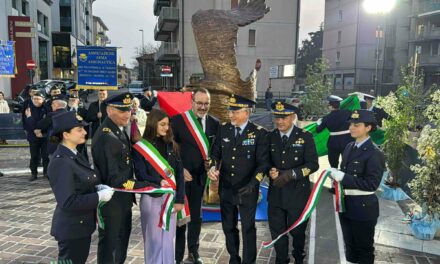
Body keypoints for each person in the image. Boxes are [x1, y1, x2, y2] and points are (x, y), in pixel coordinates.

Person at [92, 92, 154, 264]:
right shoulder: (107, 136)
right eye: (122, 110)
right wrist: (145, 185)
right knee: (111, 245)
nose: (127, 114)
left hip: (121, 199)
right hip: (113, 200)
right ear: (110, 110)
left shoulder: (118, 129)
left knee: (121, 243)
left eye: (128, 109)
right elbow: (115, 179)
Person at [208, 94, 270, 264]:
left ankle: (249, 261)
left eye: (236, 112)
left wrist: (253, 184)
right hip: (227, 188)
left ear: (247, 113)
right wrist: (213, 167)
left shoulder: (259, 133)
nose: (231, 115)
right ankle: (234, 258)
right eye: (230, 111)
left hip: (247, 189)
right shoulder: (224, 129)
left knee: (248, 228)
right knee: (228, 227)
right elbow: (215, 154)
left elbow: (263, 164)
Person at [47, 111, 115, 263]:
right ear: (66, 134)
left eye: (84, 128)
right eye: (79, 129)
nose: (85, 132)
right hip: (72, 229)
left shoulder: (74, 154)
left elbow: (80, 182)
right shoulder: (61, 162)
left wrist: (96, 188)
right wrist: (98, 197)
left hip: (80, 226)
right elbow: (67, 202)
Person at [327, 110, 385, 264]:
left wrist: (344, 177)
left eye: (356, 125)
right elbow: (346, 174)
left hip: (363, 208)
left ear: (368, 127)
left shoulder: (375, 153)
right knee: (350, 247)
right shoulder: (349, 147)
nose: (351, 128)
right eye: (351, 124)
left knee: (364, 249)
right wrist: (336, 175)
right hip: (346, 205)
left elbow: (371, 184)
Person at [267, 101, 319, 264]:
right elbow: (265, 160)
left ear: (293, 117)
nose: (280, 121)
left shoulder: (305, 137)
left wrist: (292, 174)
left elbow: (313, 164)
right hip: (276, 193)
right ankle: (282, 259)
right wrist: (270, 170)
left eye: (284, 117)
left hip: (297, 194)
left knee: (297, 231)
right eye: (277, 117)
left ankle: (298, 257)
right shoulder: (271, 136)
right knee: (277, 231)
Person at [173, 88, 220, 264]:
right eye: (199, 103)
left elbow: (216, 150)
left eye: (206, 103)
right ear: (192, 102)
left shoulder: (215, 122)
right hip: (182, 178)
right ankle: (177, 256)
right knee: (181, 218)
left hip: (201, 178)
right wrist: (180, 169)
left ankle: (193, 252)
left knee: (196, 217)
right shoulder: (178, 121)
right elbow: (172, 150)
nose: (202, 107)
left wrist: (213, 164)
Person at [132, 108, 185, 264]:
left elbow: (180, 174)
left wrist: (180, 199)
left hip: (171, 197)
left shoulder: (172, 145)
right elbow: (140, 174)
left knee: (169, 239)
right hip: (151, 197)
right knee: (153, 239)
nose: (166, 128)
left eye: (167, 124)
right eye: (162, 124)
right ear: (152, 123)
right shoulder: (140, 148)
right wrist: (158, 181)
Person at [316, 95, 354, 169]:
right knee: (347, 163)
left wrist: (318, 123)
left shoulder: (326, 118)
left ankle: (334, 179)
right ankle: (346, 178)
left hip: (333, 143)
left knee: (333, 165)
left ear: (330, 106)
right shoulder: (348, 113)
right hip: (348, 141)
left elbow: (318, 130)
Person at [23, 91, 49, 181]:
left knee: (46, 156)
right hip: (33, 136)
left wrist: (40, 130)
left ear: (43, 100)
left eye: (38, 99)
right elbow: (27, 122)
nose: (36, 100)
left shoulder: (47, 108)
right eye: (34, 99)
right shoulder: (29, 109)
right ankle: (34, 173)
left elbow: (46, 121)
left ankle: (46, 172)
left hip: (44, 135)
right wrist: (35, 129)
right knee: (34, 156)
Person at [67, 93, 89, 161]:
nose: (73, 101)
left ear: (78, 101)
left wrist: (86, 137)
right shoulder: (65, 111)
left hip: (80, 137)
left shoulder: (83, 111)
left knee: (81, 154)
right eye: (71, 100)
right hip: (68, 137)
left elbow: (87, 125)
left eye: (74, 100)